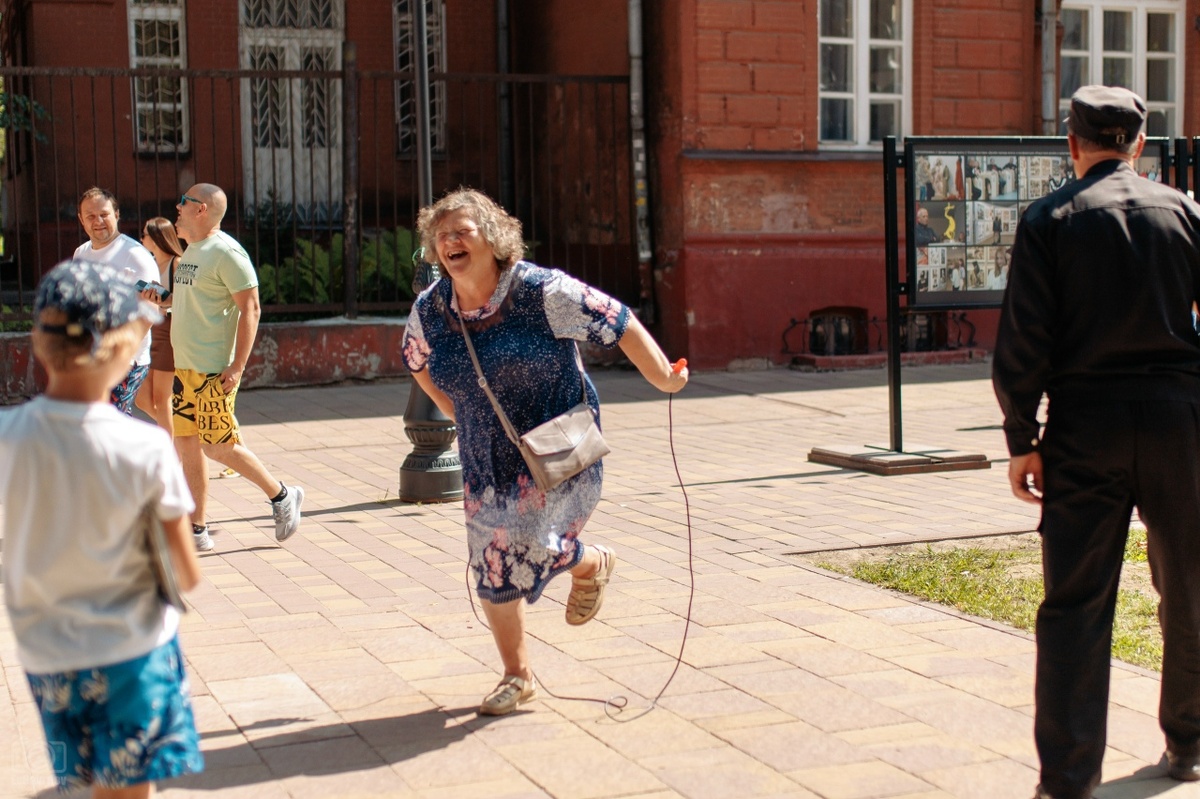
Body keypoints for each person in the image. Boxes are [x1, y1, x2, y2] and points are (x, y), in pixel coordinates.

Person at [401, 189, 688, 716]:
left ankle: (588, 560)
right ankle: (518, 675)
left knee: (521, 539)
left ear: (492, 236)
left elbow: (617, 320)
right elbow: (416, 360)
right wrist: (459, 412)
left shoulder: (539, 290)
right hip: (487, 457)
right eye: (441, 235)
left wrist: (665, 378)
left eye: (462, 230)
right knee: (491, 567)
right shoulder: (431, 309)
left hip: (558, 447)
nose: (449, 241)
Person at [993, 85, 1200, 799]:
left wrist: (1022, 435)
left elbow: (1023, 338)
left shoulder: (1049, 219)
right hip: (1181, 422)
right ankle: (1191, 742)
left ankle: (1069, 776)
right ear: (1140, 146)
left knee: (1077, 602)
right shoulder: (1185, 212)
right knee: (1193, 586)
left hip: (1084, 426)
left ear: (1072, 144)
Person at [0, 260, 204, 797]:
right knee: (130, 790)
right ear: (123, 345)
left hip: (47, 654)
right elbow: (185, 572)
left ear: (41, 345)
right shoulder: (146, 447)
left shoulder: (8, 437)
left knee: (82, 786)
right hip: (133, 651)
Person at [170, 184, 304, 551]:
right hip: (185, 371)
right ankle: (196, 529)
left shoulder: (228, 252)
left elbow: (252, 308)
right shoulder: (192, 250)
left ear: (201, 210)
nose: (177, 207)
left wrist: (238, 366)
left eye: (184, 201)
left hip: (214, 372)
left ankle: (282, 496)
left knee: (219, 447)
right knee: (187, 446)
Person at [72, 187, 159, 415]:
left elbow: (149, 309)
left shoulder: (136, 255)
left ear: (117, 214)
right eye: (90, 216)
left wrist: (122, 355)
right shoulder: (80, 254)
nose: (98, 221)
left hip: (126, 359)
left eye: (104, 214)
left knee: (106, 420)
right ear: (81, 220)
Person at [134, 217, 183, 435]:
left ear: (156, 237)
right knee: (142, 399)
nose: (141, 238)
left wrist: (164, 298)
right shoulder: (150, 264)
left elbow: (185, 300)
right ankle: (180, 431)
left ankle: (174, 455)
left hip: (168, 332)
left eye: (144, 234)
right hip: (150, 332)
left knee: (163, 398)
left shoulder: (177, 263)